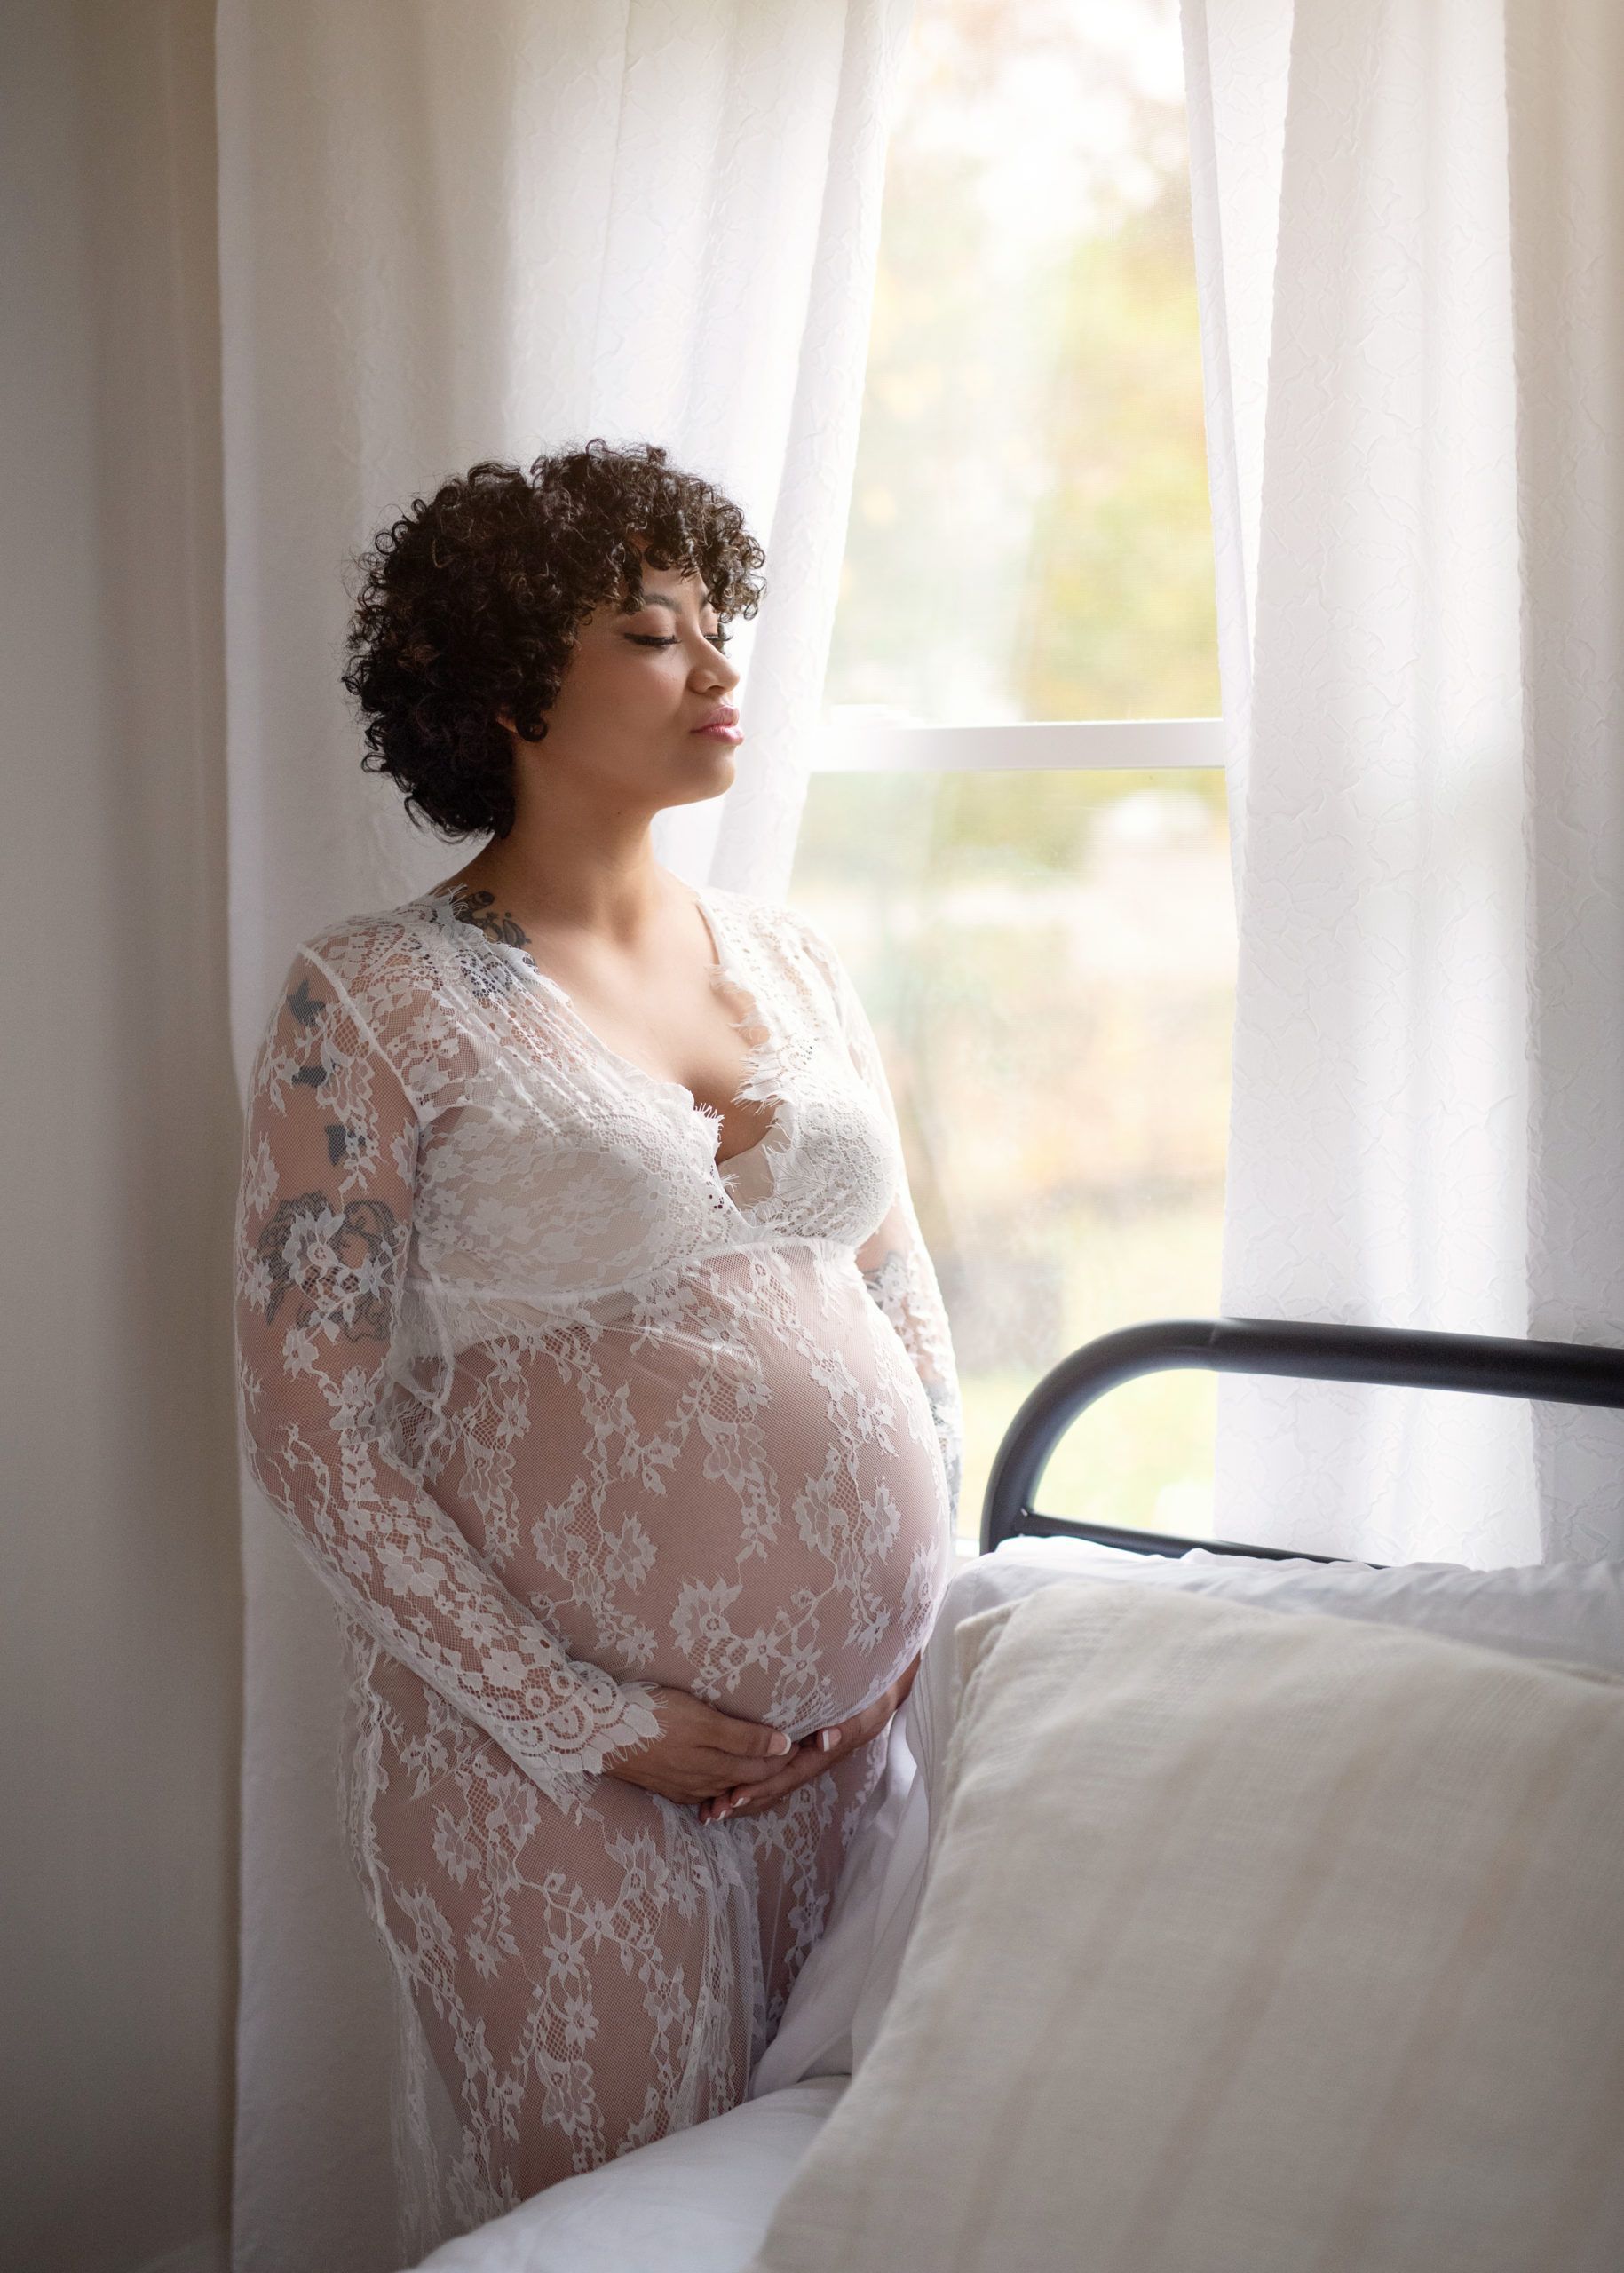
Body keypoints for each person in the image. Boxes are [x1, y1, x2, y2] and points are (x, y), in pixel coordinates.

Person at [232, 439, 963, 2232]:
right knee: (599, 2223)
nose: (720, 668)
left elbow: (904, 1297)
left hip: (850, 1747)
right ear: (505, 691)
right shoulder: (377, 992)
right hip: (548, 1770)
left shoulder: (790, 960)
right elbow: (304, 1419)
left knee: (812, 2212)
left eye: (722, 623)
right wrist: (575, 1716)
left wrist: (909, 1625)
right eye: (654, 631)